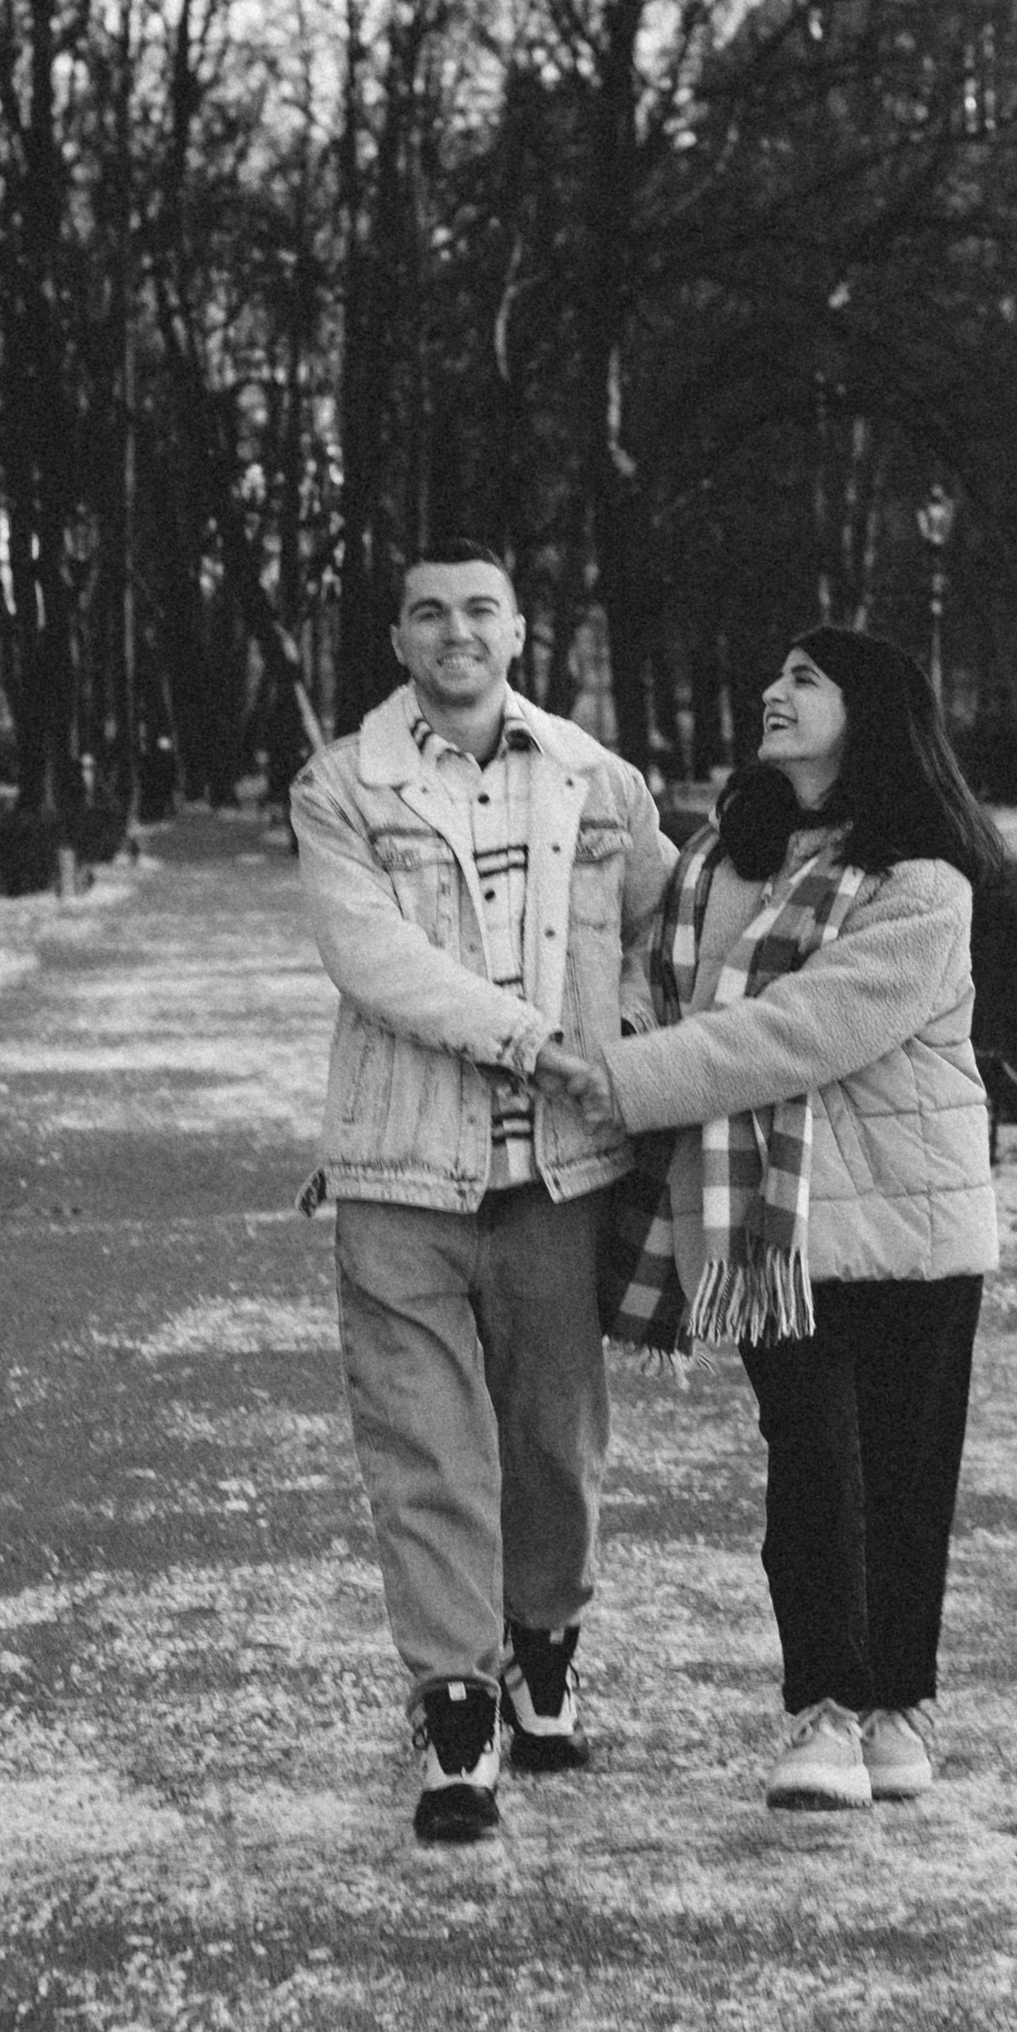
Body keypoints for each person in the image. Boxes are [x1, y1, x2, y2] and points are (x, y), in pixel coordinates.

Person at [539, 627, 1001, 1813]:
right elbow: (651, 968)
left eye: (805, 680)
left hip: (906, 1220)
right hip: (767, 1234)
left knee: (907, 1471)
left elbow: (805, 1029)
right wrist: (624, 1038)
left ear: (874, 711)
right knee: (810, 1466)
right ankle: (827, 1713)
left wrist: (639, 1082)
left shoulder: (921, 883)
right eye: (774, 676)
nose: (771, 693)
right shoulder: (717, 860)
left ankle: (901, 1703)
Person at [292, 540, 675, 1843]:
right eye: (427, 614)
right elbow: (370, 958)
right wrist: (528, 1036)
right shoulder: (343, 787)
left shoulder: (591, 776)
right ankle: (456, 1710)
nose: (454, 632)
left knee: (557, 1440)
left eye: (479, 610)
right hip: (401, 1164)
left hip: (559, 1170)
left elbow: (671, 922)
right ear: (398, 641)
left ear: (520, 632)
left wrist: (630, 1026)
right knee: (425, 1447)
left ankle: (545, 1637)